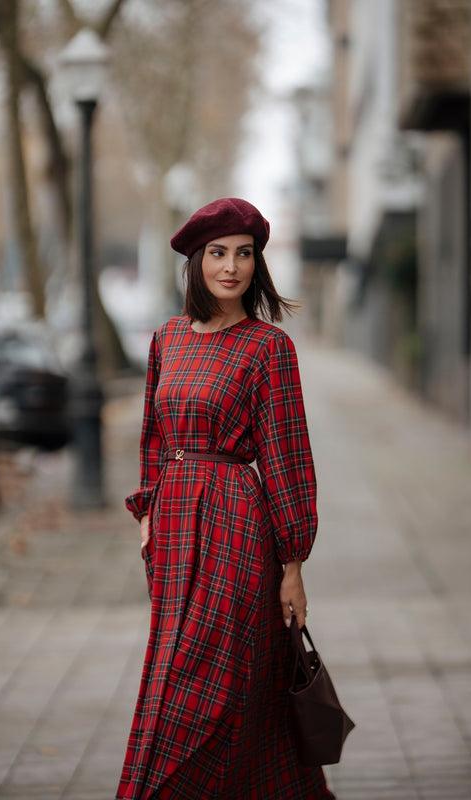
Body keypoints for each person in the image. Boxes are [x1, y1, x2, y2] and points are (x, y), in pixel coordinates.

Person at [115, 198, 335, 800]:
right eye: (218, 253)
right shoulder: (167, 341)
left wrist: (292, 565)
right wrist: (148, 511)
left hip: (238, 527)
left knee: (209, 682)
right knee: (176, 669)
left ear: (257, 264)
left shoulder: (268, 348)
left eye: (244, 253)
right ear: (196, 261)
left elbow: (289, 459)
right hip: (175, 530)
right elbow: (154, 436)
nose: (231, 266)